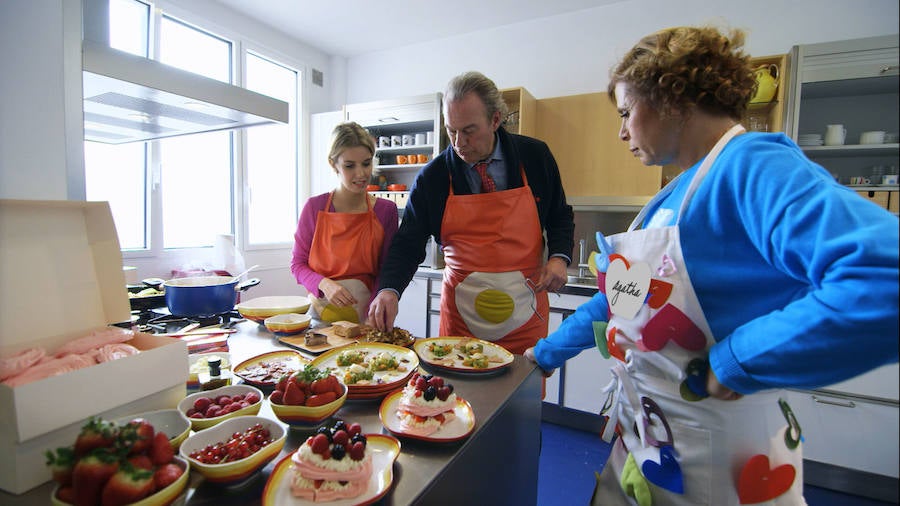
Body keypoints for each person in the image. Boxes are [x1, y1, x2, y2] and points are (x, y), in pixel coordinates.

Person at [525, 26, 899, 505]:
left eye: (626, 112)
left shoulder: (752, 165)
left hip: (723, 460)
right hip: (649, 445)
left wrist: (738, 360)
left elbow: (884, 280)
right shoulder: (671, 196)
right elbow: (622, 301)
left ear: (673, 100)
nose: (621, 131)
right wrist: (545, 353)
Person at [367, 71, 575, 354]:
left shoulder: (535, 157)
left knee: (521, 396)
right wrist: (389, 289)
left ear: (495, 120)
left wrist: (559, 257)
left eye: (469, 130)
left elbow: (559, 215)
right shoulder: (433, 177)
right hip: (460, 323)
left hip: (525, 316)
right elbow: (408, 242)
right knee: (457, 397)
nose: (458, 142)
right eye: (451, 130)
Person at [291, 122, 398, 323]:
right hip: (319, 320)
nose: (361, 174)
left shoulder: (386, 211)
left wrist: (375, 311)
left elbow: (387, 270)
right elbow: (298, 264)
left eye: (366, 163)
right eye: (350, 166)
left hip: (368, 318)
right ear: (334, 164)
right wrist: (324, 284)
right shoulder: (315, 208)